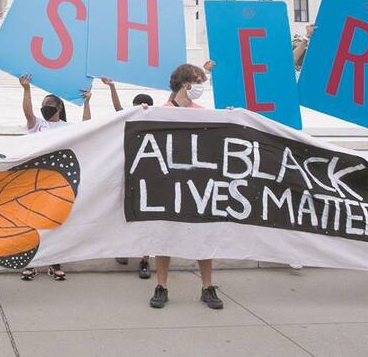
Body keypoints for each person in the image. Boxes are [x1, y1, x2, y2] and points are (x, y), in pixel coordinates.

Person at [150, 63, 224, 310]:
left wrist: (231, 119)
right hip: (169, 185)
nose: (201, 86)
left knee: (203, 234)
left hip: (198, 185)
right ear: (185, 83)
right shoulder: (160, 112)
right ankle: (161, 286)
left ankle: (207, 287)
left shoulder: (204, 113)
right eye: (199, 81)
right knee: (164, 236)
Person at [17, 74, 91, 282]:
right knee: (32, 223)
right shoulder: (37, 124)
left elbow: (87, 125)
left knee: (55, 223)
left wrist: (86, 102)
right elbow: (27, 112)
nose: (45, 107)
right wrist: (26, 89)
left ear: (59, 107)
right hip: (33, 180)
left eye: (49, 104)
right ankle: (30, 263)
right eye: (43, 104)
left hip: (57, 183)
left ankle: (54, 262)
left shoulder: (67, 128)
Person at [101, 77, 156, 279]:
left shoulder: (156, 122)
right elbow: (118, 109)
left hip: (149, 178)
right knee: (123, 213)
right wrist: (113, 87)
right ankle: (123, 249)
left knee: (146, 220)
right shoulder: (130, 121)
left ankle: (144, 259)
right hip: (129, 175)